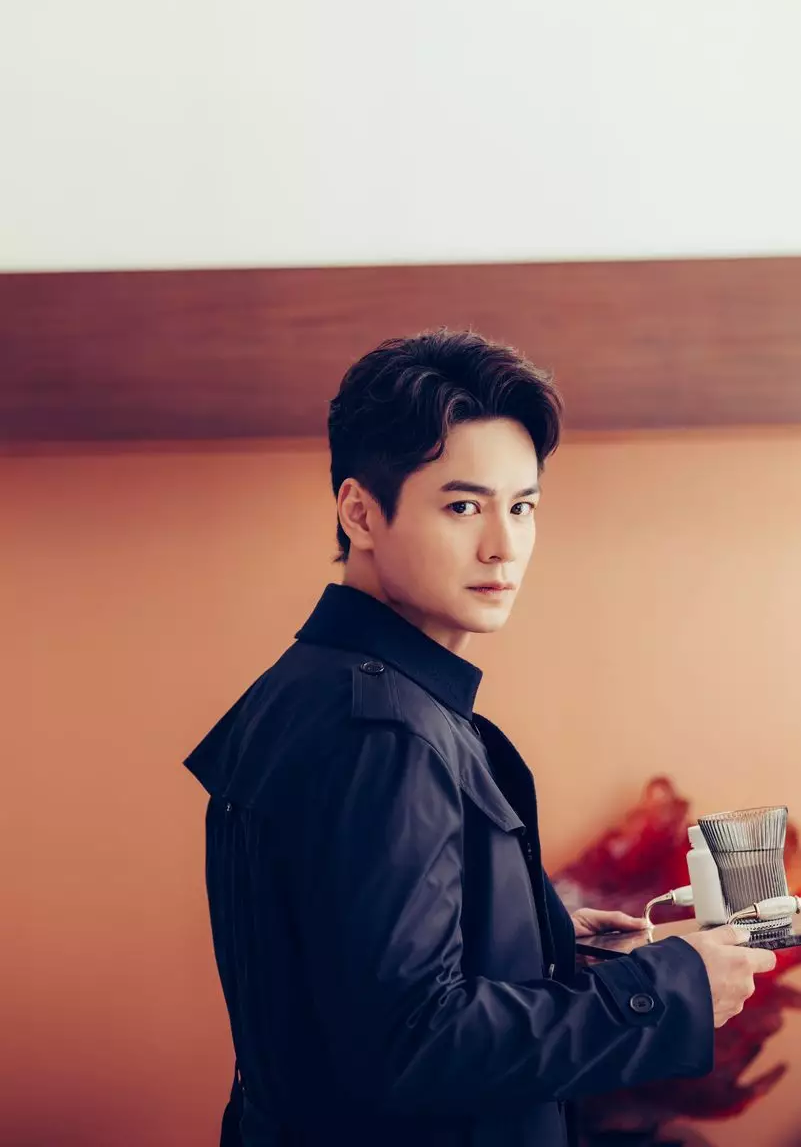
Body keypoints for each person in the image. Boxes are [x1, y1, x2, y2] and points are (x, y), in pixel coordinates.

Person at [184, 329, 776, 1147]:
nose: (503, 546)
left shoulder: (310, 683)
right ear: (360, 512)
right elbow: (413, 1043)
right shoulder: (382, 730)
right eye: (462, 506)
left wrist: (534, 937)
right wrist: (669, 992)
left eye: (521, 507)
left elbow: (334, 978)